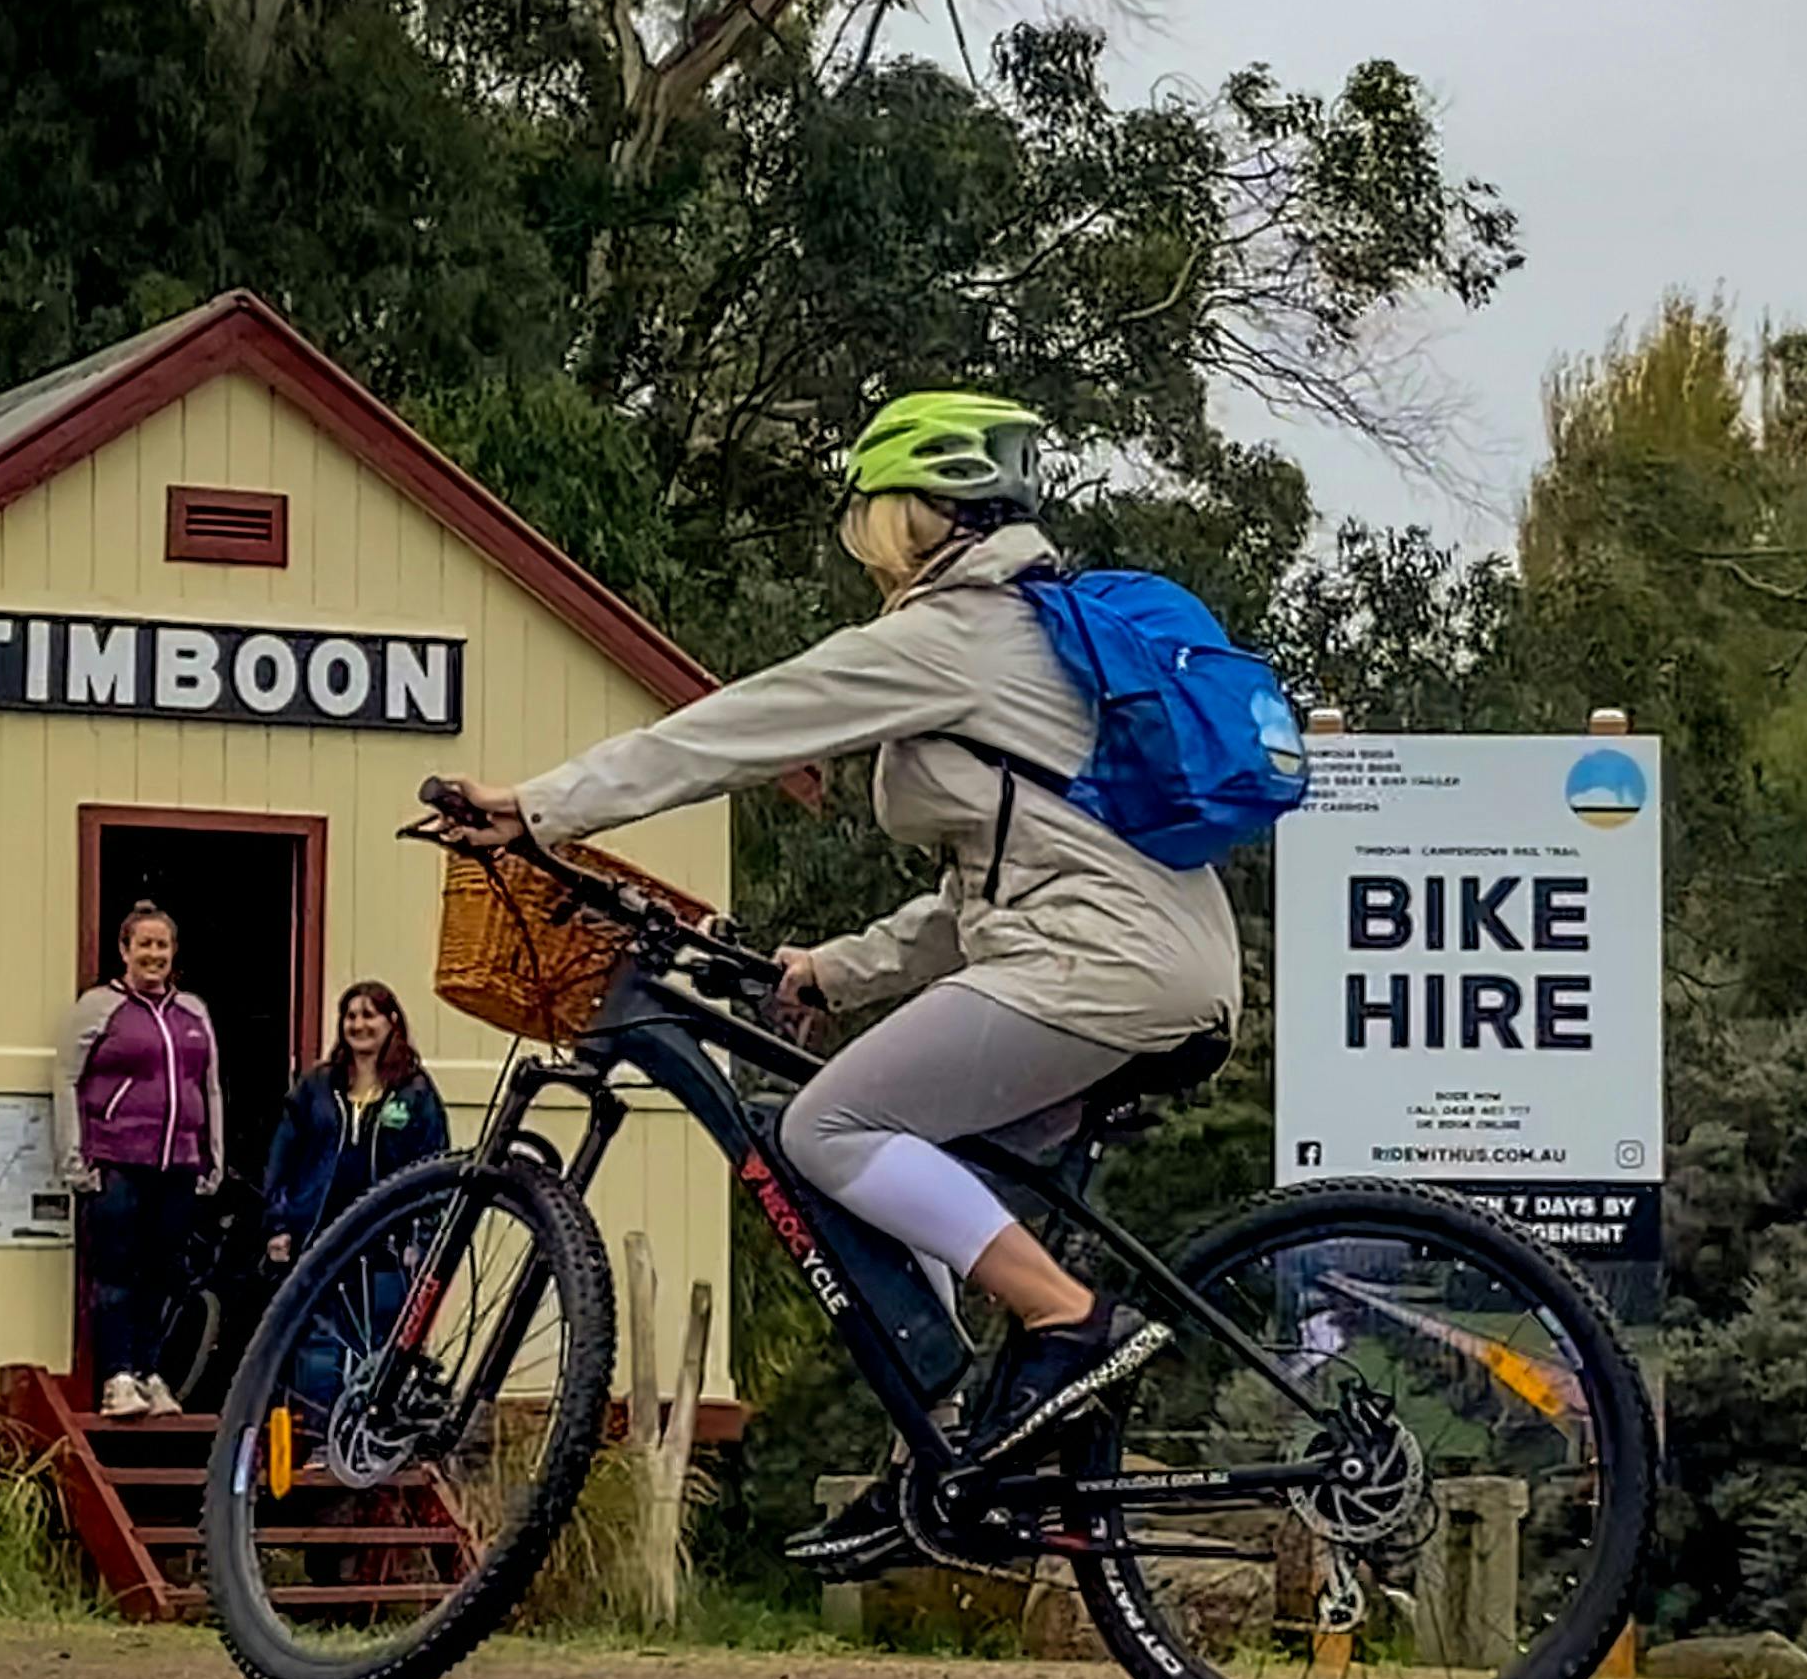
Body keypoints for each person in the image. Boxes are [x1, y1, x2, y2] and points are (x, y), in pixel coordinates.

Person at [422, 390, 1242, 1575]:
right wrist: (836, 970)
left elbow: (739, 727)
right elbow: (988, 888)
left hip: (1097, 966)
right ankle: (952, 1445)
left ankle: (1070, 1318)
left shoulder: (955, 635)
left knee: (831, 1123)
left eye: (870, 516)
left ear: (918, 514)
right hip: (1133, 960)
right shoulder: (1034, 639)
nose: (864, 543)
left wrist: (541, 807)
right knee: (886, 1162)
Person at [56, 899, 227, 1417]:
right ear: (124, 950)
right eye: (144, 944)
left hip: (177, 1161)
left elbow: (210, 1086)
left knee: (165, 1272)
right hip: (116, 1159)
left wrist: (212, 1156)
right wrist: (73, 1158)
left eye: (162, 945)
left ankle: (152, 1374)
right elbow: (65, 1079)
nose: (154, 954)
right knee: (116, 1271)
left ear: (174, 952)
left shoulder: (193, 1011)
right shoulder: (99, 1006)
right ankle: (116, 1377)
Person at [266, 980, 449, 1265]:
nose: (358, 1025)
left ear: (392, 1021)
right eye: (350, 1016)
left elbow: (436, 1168)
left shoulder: (415, 1091)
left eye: (368, 1015)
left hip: (386, 1247)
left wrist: (421, 1240)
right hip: (314, 1241)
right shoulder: (316, 1086)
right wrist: (279, 1225)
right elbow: (282, 1159)